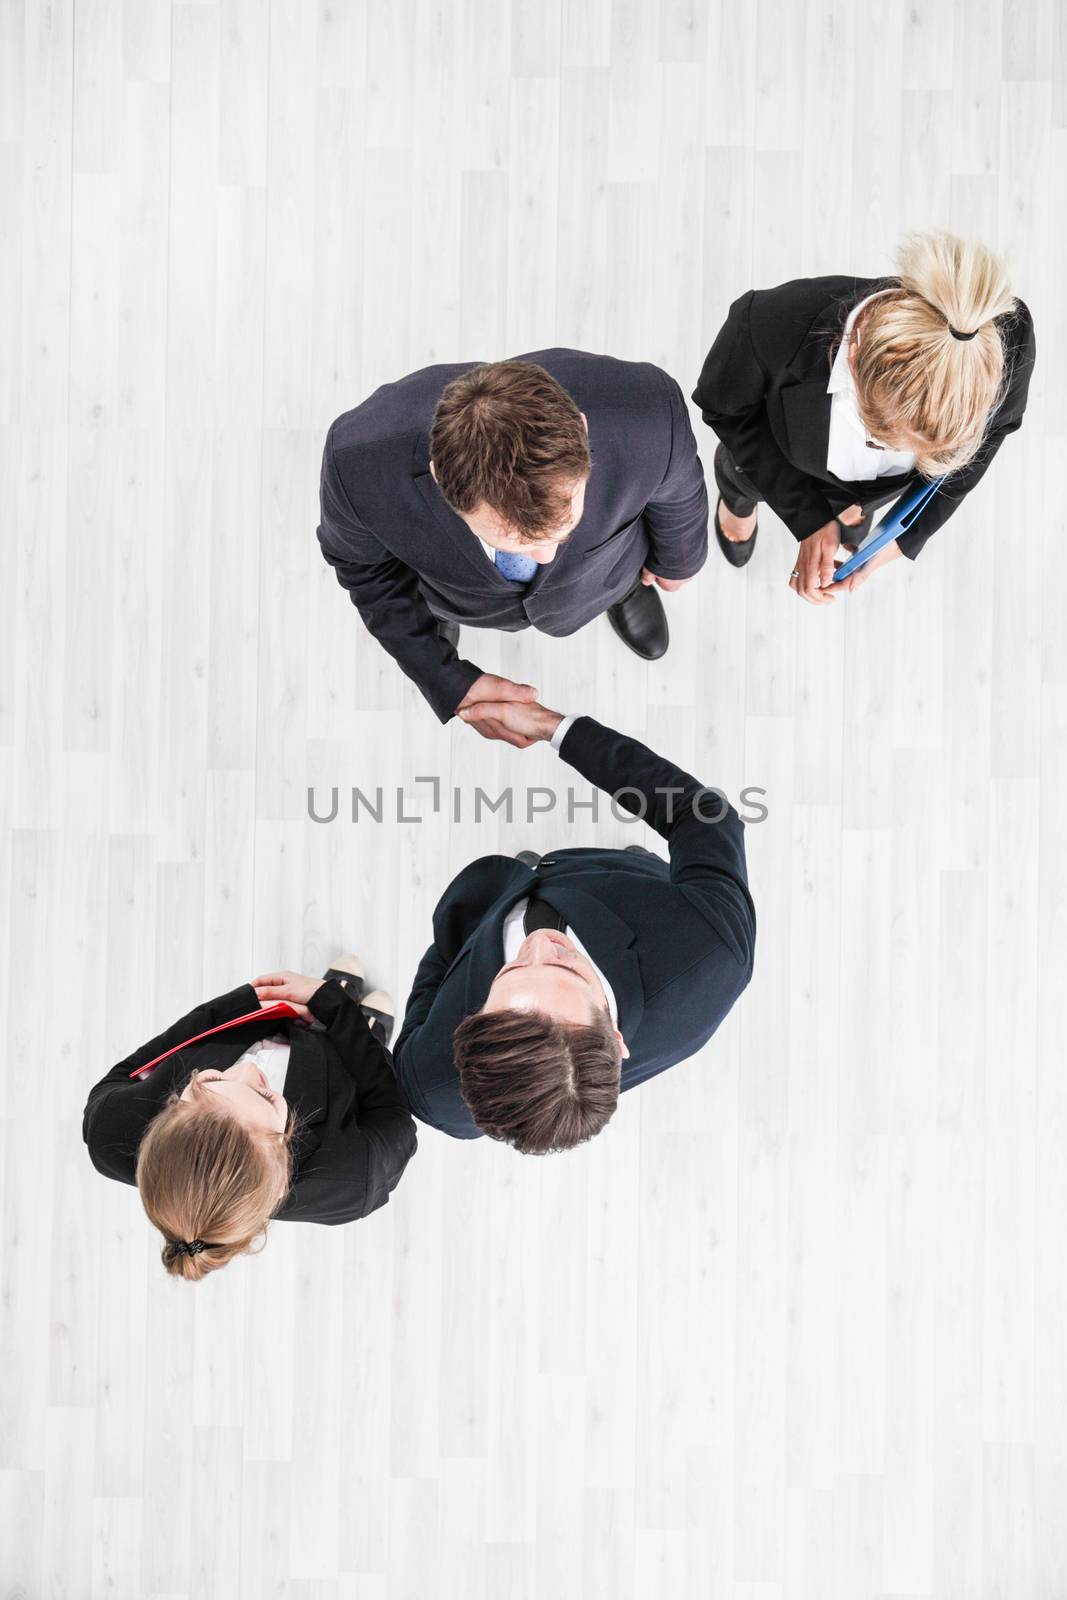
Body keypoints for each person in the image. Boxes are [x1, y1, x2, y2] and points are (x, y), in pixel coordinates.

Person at [391, 707, 756, 1150]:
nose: (538, 944)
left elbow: (430, 992)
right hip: (620, 885)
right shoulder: (708, 945)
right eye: (567, 970)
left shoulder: (431, 1088)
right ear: (615, 1039)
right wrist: (556, 729)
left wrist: (453, 943)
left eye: (513, 971)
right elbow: (703, 814)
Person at [317, 353, 709, 737]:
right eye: (514, 541)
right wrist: (442, 673)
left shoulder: (648, 412)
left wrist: (679, 562)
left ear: (582, 428)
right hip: (454, 591)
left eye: (562, 528)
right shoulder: (356, 463)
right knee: (429, 610)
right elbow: (363, 568)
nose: (546, 557)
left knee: (614, 575)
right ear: (440, 477)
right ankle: (439, 620)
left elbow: (679, 492)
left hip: (607, 567)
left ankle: (621, 593)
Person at [692, 230, 1035, 602]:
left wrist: (900, 539)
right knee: (741, 484)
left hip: (873, 497)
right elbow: (725, 410)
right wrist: (806, 516)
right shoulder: (763, 325)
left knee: (856, 517)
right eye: (878, 439)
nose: (885, 453)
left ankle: (853, 515)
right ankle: (738, 511)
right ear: (854, 355)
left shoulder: (1002, 340)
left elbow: (996, 429)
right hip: (771, 455)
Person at [83, 958, 416, 1280]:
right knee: (363, 1055)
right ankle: (367, 1032)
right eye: (264, 1095)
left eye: (210, 1082)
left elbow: (162, 1049)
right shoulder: (357, 1179)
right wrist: (338, 1011)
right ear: (284, 1173)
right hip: (347, 1074)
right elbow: (390, 1112)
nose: (246, 1068)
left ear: (171, 1108)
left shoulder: (109, 1130)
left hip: (263, 1022)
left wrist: (255, 1001)